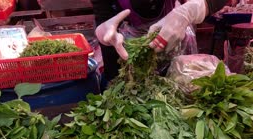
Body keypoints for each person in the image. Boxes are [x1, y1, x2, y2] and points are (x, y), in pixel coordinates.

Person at [92, 0, 227, 82]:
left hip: (174, 30)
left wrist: (191, 10)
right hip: (125, 47)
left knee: (180, 84)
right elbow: (103, 14)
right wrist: (104, 30)